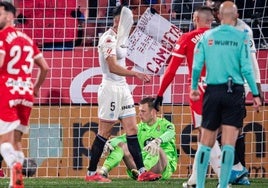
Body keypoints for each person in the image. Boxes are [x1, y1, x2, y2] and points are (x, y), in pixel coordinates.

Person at [84, 5, 161, 182]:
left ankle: (142, 172)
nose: (131, 22)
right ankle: (91, 174)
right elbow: (112, 66)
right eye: (128, 19)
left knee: (132, 129)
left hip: (123, 87)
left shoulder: (122, 37)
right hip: (110, 88)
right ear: (118, 20)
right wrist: (135, 73)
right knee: (104, 132)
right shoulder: (108, 39)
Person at [190, 1, 261, 188]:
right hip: (234, 91)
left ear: (219, 16)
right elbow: (247, 69)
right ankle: (222, 186)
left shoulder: (207, 36)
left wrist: (193, 87)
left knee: (206, 142)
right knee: (229, 142)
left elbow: (197, 66)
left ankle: (200, 185)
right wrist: (255, 93)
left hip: (212, 91)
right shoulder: (242, 37)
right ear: (236, 15)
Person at [153, 5, 217, 187]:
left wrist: (159, 95)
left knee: (206, 136)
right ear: (211, 21)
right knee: (212, 136)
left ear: (196, 19)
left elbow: (171, 70)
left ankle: (224, 179)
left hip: (200, 91)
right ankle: (194, 181)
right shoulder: (222, 37)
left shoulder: (188, 38)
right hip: (224, 89)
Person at [0, 2, 49, 188]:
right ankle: (17, 181)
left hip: (6, 91)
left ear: (10, 16)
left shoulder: (2, 36)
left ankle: (16, 166)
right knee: (17, 141)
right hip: (26, 93)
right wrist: (36, 87)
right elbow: (45, 67)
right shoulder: (27, 39)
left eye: (0, 13)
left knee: (4, 142)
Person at [98, 97, 177, 180]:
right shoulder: (139, 128)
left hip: (162, 168)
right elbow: (123, 138)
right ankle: (104, 171)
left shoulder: (165, 124)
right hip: (139, 167)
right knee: (122, 145)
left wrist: (158, 141)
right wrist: (109, 142)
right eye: (139, 111)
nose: (139, 114)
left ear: (153, 112)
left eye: (143, 111)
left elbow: (171, 133)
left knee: (156, 148)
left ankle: (144, 173)